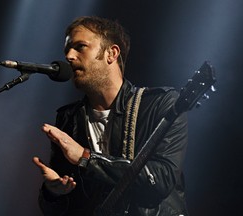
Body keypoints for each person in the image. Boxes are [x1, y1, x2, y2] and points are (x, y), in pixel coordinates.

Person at [33, 16, 189, 216]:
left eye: (80, 47)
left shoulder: (160, 104)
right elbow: (61, 209)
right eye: (67, 50)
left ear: (111, 53)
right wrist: (53, 193)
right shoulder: (68, 119)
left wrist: (85, 158)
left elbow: (160, 180)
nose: (69, 56)